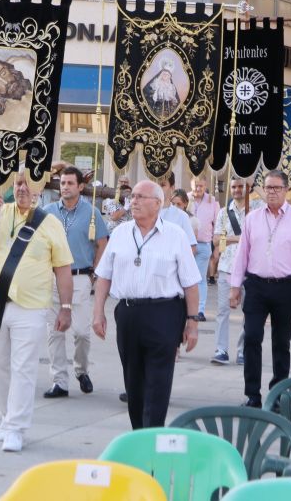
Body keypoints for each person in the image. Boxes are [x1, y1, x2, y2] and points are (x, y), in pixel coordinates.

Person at [0, 171, 73, 454]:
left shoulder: (50, 223)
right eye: (18, 183)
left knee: (23, 368)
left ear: (39, 187)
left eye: (28, 183)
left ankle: (16, 428)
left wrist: (65, 307)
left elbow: (62, 268)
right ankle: (6, 417)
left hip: (32, 307)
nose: (23, 188)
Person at [92, 180, 201, 428]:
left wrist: (192, 322)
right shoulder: (120, 233)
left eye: (141, 197)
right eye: (133, 197)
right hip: (128, 313)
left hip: (164, 313)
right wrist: (98, 312)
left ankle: (153, 436)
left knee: (158, 380)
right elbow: (104, 276)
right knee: (133, 380)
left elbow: (191, 283)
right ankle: (138, 433)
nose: (134, 201)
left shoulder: (175, 236)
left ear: (158, 204)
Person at [229, 170, 291, 408]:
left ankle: (278, 393)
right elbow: (242, 255)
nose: (272, 192)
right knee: (251, 338)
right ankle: (252, 395)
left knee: (281, 343)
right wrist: (235, 286)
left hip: (285, 287)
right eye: (268, 188)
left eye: (276, 188)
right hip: (256, 286)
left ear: (286, 190)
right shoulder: (253, 218)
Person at [43, 165, 109, 398]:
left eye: (70, 183)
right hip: (51, 278)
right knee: (54, 331)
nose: (65, 187)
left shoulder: (92, 213)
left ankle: (81, 370)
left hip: (79, 277)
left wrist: (95, 272)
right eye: (62, 183)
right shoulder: (48, 211)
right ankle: (59, 380)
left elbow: (102, 243)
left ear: (80, 186)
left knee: (81, 331)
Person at [211, 177, 263, 366]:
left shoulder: (256, 209)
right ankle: (221, 349)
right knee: (223, 311)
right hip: (227, 267)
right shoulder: (224, 212)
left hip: (250, 269)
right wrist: (240, 238)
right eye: (234, 187)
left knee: (249, 312)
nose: (237, 190)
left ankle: (243, 350)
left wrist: (254, 183)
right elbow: (216, 240)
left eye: (241, 186)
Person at [188, 176, 220, 296]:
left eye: (201, 185)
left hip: (203, 245)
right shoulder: (185, 198)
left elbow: (218, 225)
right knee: (187, 278)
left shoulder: (212, 201)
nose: (198, 188)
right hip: (186, 246)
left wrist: (217, 248)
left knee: (200, 279)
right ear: (191, 185)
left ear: (205, 186)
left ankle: (200, 311)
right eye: (196, 185)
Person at [157, 172, 198, 256]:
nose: (157, 188)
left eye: (162, 185)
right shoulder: (146, 213)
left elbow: (191, 247)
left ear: (172, 188)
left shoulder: (182, 216)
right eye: (155, 184)